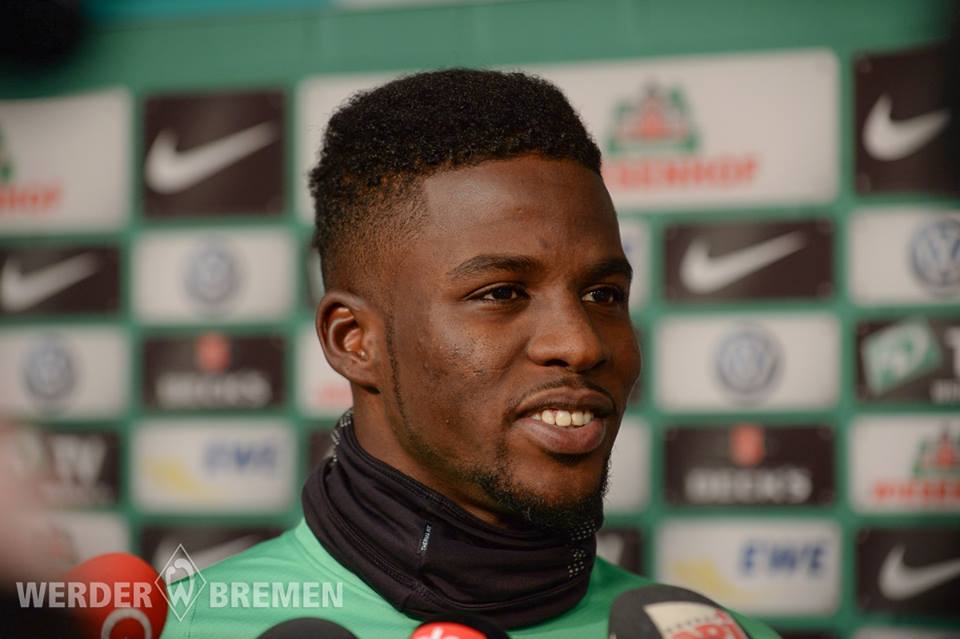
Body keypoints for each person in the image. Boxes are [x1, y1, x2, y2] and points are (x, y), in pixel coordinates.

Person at [161, 68, 779, 638]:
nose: (581, 344)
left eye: (604, 294)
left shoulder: (719, 634)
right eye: (501, 293)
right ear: (354, 341)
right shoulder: (184, 628)